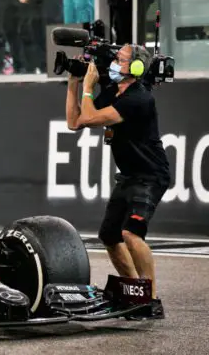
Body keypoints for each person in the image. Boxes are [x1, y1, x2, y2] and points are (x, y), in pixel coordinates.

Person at [65, 44, 170, 319]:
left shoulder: (139, 99)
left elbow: (90, 117)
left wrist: (89, 87)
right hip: (128, 176)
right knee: (110, 236)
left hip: (150, 175)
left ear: (136, 68)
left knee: (131, 234)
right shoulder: (114, 92)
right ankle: (135, 292)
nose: (113, 62)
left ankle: (151, 299)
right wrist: (74, 83)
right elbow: (74, 122)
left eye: (119, 59)